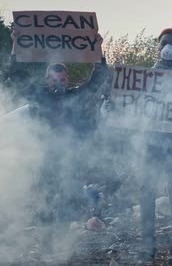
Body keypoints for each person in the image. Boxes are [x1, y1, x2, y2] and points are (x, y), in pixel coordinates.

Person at [5, 31, 109, 249]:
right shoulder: (38, 96)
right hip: (43, 155)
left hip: (69, 157)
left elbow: (98, 79)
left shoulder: (74, 96)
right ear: (47, 79)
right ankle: (46, 242)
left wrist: (98, 50)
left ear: (67, 79)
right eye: (54, 79)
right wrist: (16, 46)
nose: (58, 84)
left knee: (66, 200)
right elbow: (14, 75)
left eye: (62, 80)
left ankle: (60, 242)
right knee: (43, 198)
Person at [139, 28, 172, 264]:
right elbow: (132, 104)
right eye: (163, 43)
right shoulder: (145, 76)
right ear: (158, 46)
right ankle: (147, 248)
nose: (167, 48)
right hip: (151, 143)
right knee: (146, 194)